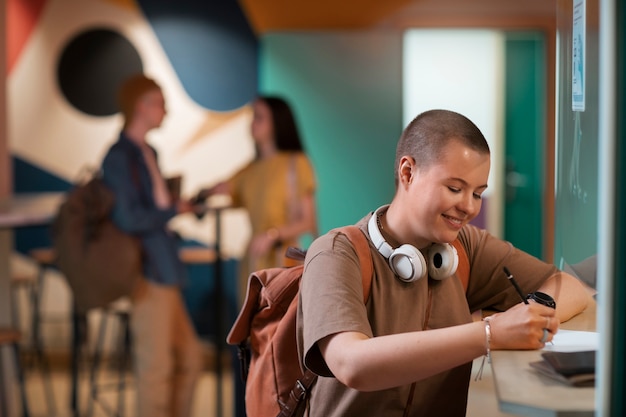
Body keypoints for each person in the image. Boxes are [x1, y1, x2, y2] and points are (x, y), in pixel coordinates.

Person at [296, 109, 594, 416]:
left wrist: (529, 315)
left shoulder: (465, 246)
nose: (468, 207)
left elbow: (568, 287)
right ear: (408, 172)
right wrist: (489, 332)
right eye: (455, 188)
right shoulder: (334, 254)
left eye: (478, 193)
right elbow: (351, 363)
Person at [101, 74, 204, 417]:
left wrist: (175, 207)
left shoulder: (149, 152)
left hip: (165, 268)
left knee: (189, 359)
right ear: (141, 106)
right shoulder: (119, 157)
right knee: (156, 371)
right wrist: (172, 209)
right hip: (148, 271)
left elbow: (151, 212)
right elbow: (129, 219)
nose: (166, 110)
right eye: (159, 102)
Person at [199, 95, 317, 304]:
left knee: (284, 328)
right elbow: (220, 189)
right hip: (253, 260)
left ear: (277, 123)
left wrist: (272, 235)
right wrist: (203, 193)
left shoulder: (296, 163)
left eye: (259, 117)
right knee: (253, 327)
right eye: (253, 116)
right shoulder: (249, 170)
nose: (252, 123)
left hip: (285, 259)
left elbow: (307, 221)